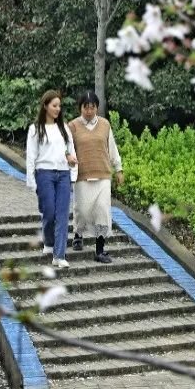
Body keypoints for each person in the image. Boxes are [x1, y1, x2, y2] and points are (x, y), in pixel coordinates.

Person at [68, 90, 124, 264]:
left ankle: (100, 250)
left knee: (102, 211)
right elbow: (66, 148)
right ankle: (78, 233)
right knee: (82, 210)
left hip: (102, 175)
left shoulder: (105, 125)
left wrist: (119, 169)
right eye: (86, 107)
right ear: (80, 108)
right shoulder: (73, 126)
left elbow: (112, 148)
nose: (89, 111)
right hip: (82, 175)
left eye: (92, 107)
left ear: (97, 108)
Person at [26, 90, 78, 269]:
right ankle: (48, 242)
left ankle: (59, 255)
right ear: (45, 106)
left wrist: (72, 167)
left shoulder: (64, 127)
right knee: (48, 213)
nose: (58, 109)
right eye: (54, 105)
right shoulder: (35, 129)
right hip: (44, 174)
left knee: (62, 215)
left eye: (59, 106)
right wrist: (32, 182)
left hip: (63, 174)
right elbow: (31, 157)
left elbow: (71, 152)